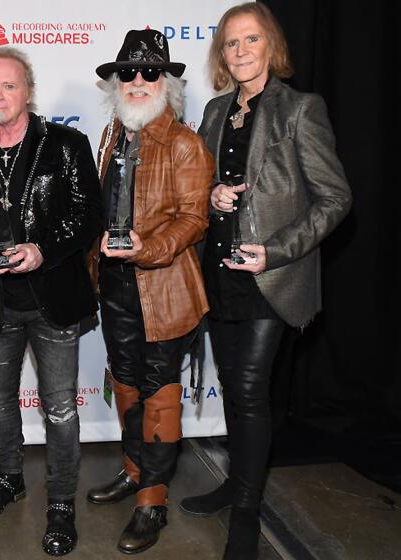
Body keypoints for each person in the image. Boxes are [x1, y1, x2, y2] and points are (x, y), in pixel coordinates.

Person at [178, 4, 352, 559]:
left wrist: (275, 251)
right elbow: (206, 178)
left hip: (270, 277)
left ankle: (248, 509)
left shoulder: (300, 108)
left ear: (269, 45)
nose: (241, 50)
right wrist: (210, 196)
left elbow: (336, 198)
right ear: (222, 54)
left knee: (250, 389)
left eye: (251, 39)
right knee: (234, 386)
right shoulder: (215, 110)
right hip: (220, 270)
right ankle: (237, 482)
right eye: (231, 43)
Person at [0, 47, 102, 557]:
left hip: (52, 298)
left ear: (28, 92)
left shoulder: (66, 145)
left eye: (8, 86)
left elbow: (87, 216)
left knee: (59, 410)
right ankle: (8, 477)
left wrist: (43, 250)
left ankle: (60, 502)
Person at [86, 29, 214, 555]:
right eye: (128, 73)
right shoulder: (113, 134)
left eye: (150, 72)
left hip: (163, 290)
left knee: (160, 391)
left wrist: (147, 246)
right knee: (126, 383)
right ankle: (135, 470)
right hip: (115, 286)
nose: (138, 81)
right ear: (117, 82)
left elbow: (194, 220)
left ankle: (152, 501)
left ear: (166, 82)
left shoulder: (185, 143)